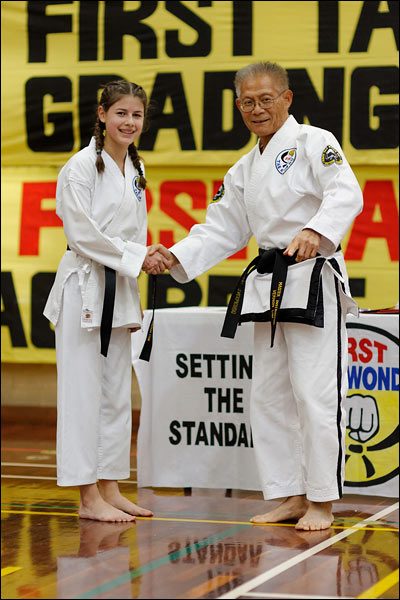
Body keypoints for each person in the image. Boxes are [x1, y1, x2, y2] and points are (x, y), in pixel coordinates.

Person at [156, 62, 364, 530]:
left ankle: (322, 501)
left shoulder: (316, 142)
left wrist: (316, 229)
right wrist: (175, 256)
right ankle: (289, 493)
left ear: (287, 99)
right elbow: (221, 228)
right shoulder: (244, 167)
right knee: (268, 396)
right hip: (268, 284)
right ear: (237, 106)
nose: (257, 109)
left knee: (315, 394)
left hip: (312, 275)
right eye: (248, 101)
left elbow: (345, 193)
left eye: (266, 99)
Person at [44, 80, 170, 522]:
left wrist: (146, 254)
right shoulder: (80, 167)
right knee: (82, 393)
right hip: (84, 286)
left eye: (136, 115)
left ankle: (110, 485)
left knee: (116, 393)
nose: (129, 122)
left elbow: (132, 234)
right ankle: (86, 496)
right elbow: (81, 234)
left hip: (119, 286)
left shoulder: (134, 168)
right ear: (102, 114)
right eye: (120, 114)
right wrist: (138, 256)